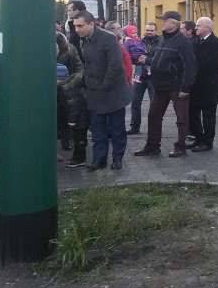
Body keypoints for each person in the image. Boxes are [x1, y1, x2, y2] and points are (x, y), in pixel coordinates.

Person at [73, 11, 132, 171]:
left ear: (91, 24)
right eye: (75, 26)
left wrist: (104, 85)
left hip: (112, 92)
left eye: (80, 26)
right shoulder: (83, 39)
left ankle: (117, 159)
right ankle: (99, 159)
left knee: (117, 128)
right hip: (94, 92)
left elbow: (115, 66)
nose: (77, 29)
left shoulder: (108, 38)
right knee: (98, 129)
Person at [133, 11, 196, 158]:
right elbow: (158, 57)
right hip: (160, 85)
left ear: (173, 23)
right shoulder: (163, 39)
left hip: (176, 85)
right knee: (153, 115)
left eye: (164, 20)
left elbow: (190, 66)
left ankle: (180, 147)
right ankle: (152, 146)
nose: (162, 23)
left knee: (181, 118)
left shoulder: (183, 41)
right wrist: (148, 60)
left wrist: (186, 88)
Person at [187, 17, 218, 152]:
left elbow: (212, 63)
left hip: (209, 85)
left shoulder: (217, 43)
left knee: (208, 115)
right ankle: (198, 138)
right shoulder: (193, 42)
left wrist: (193, 68)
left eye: (198, 26)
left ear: (207, 28)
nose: (195, 28)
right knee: (192, 113)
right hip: (194, 85)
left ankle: (208, 142)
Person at [56, 33, 91, 168]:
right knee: (56, 118)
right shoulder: (43, 48)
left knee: (68, 117)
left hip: (68, 88)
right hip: (56, 89)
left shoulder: (70, 49)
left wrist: (69, 82)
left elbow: (79, 68)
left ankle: (67, 142)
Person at [128, 23, 159, 135]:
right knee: (135, 103)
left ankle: (154, 127)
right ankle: (134, 126)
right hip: (139, 76)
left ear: (156, 30)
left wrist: (147, 59)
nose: (149, 32)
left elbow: (161, 57)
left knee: (154, 104)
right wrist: (136, 59)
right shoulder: (138, 41)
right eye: (147, 30)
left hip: (153, 77)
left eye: (151, 30)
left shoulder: (160, 42)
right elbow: (132, 55)